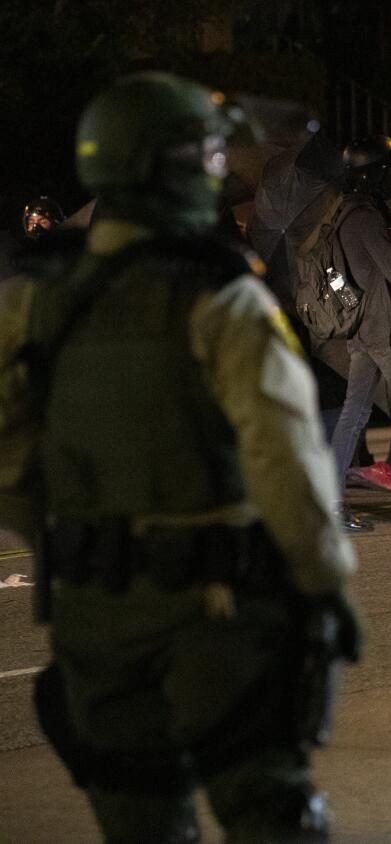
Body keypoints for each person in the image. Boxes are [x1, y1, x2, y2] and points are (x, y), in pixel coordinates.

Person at [0, 72, 359, 842]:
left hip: (93, 612)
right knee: (270, 811)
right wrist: (322, 592)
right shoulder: (223, 299)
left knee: (140, 820)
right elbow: (288, 472)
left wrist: (67, 536)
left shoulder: (33, 296)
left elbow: (8, 457)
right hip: (215, 610)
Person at [327, 135, 391, 526]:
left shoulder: (344, 213)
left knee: (354, 412)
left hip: (361, 329)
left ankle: (334, 504)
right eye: (387, 168)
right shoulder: (366, 218)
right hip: (383, 329)